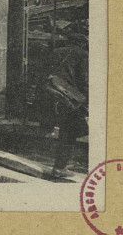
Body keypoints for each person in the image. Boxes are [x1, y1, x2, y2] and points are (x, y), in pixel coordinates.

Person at [45, 43, 89, 177]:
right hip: (67, 97)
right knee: (71, 130)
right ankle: (59, 168)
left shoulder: (56, 50)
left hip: (51, 93)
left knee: (66, 129)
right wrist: (87, 99)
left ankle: (60, 164)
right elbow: (83, 80)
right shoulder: (82, 54)